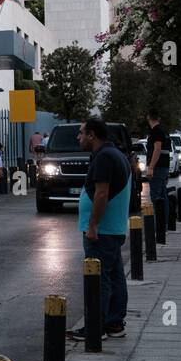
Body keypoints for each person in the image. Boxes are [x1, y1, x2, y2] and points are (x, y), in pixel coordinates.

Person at [67, 119, 131, 341]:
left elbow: (101, 193)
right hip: (113, 228)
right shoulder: (116, 154)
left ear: (92, 135)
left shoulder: (104, 157)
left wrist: (93, 225)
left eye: (81, 133)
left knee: (98, 278)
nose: (78, 137)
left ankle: (96, 327)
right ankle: (113, 323)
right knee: (114, 276)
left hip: (102, 230)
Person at [145, 109, 170, 213]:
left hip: (158, 168)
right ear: (158, 118)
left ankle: (160, 225)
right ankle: (165, 223)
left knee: (156, 197)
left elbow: (157, 149)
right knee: (163, 196)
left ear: (148, 118)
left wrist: (151, 167)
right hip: (164, 166)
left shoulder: (155, 131)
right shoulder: (164, 131)